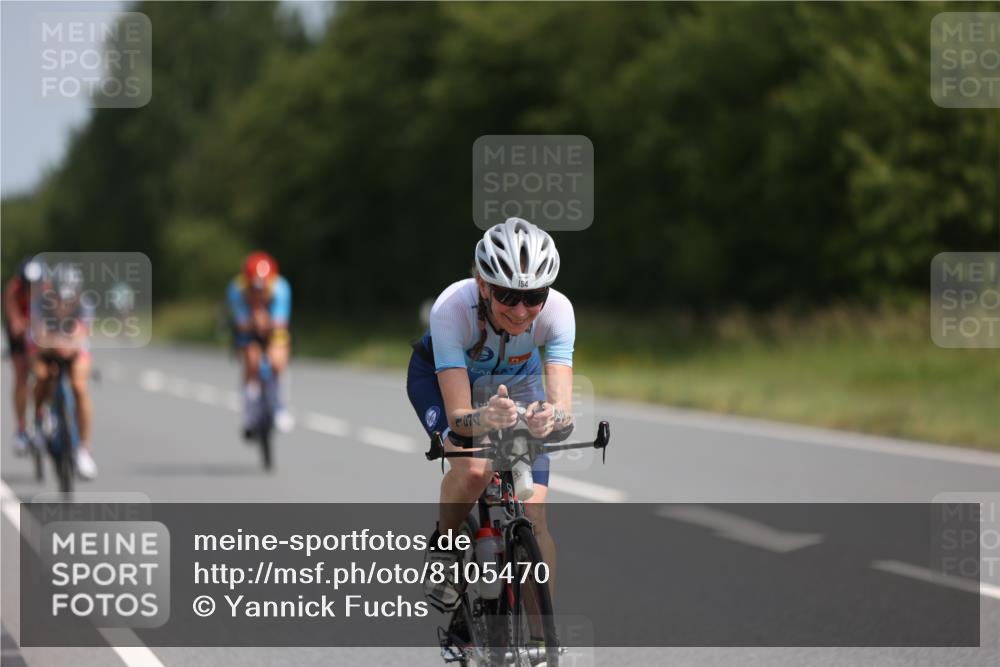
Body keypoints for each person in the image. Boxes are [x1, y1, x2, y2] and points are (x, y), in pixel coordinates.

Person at [407, 217, 575, 611]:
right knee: (475, 469)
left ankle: (540, 645)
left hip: (517, 381)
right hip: (442, 380)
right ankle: (445, 552)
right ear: (483, 285)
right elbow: (461, 417)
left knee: (534, 516)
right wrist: (484, 420)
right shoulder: (452, 308)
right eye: (506, 296)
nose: (520, 311)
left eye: (534, 296)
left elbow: (563, 408)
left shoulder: (558, 312)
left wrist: (550, 418)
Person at [30, 262, 98, 479]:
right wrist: (55, 344)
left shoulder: (85, 304)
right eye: (61, 296)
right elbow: (39, 336)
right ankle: (39, 421)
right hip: (47, 349)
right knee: (41, 376)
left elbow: (82, 334)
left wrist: (66, 345)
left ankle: (83, 450)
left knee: (79, 386)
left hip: (73, 351)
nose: (65, 302)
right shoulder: (40, 303)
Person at [226, 251, 294, 435]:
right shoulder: (236, 290)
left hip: (274, 329)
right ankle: (250, 415)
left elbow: (280, 323)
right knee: (252, 363)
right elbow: (241, 324)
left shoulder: (281, 288)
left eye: (262, 289)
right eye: (254, 289)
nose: (258, 293)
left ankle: (280, 408)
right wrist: (253, 322)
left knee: (278, 361)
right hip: (247, 331)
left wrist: (266, 323)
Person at [3, 258, 42, 455]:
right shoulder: (13, 289)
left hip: (39, 333)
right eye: (27, 285)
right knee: (21, 374)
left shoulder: (47, 289)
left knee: (45, 371)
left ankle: (42, 413)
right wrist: (18, 324)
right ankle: (20, 428)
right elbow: (13, 317)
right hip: (19, 337)